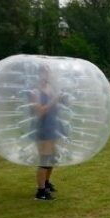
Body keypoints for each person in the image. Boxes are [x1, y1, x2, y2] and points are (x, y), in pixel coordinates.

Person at [32, 65, 63, 200]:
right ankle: (40, 192)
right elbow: (40, 112)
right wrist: (53, 100)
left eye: (48, 72)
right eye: (44, 72)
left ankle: (46, 183)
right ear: (39, 74)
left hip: (53, 126)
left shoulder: (50, 88)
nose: (47, 75)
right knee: (45, 159)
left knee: (52, 158)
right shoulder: (35, 92)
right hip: (43, 128)